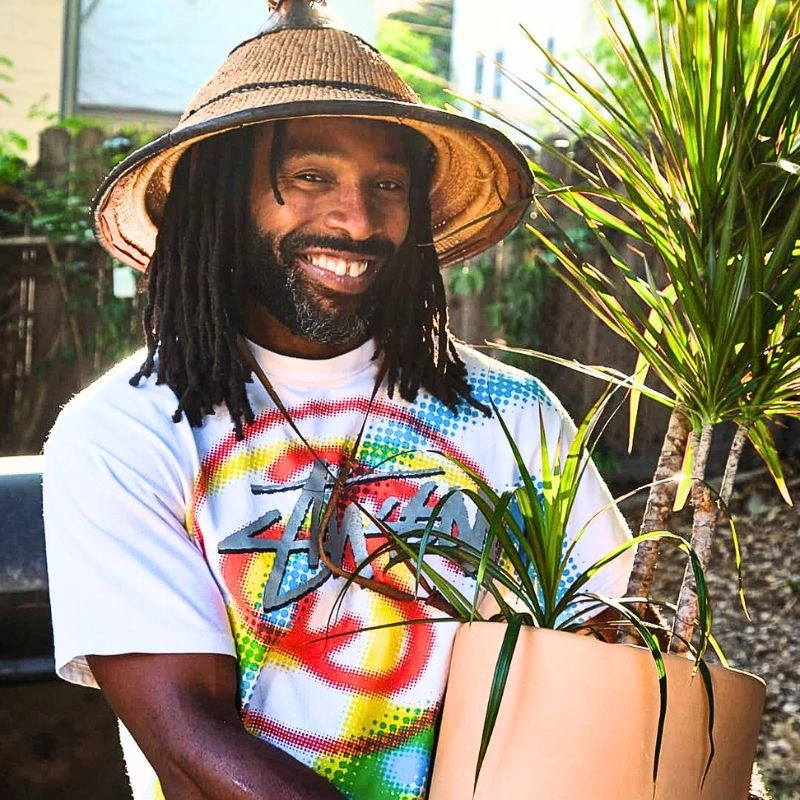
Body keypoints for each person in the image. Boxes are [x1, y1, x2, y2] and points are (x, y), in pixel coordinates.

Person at [43, 1, 633, 798]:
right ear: (222, 200)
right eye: (311, 175)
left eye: (386, 183)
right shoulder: (124, 432)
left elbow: (611, 658)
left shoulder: (509, 410)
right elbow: (189, 740)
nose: (358, 220)